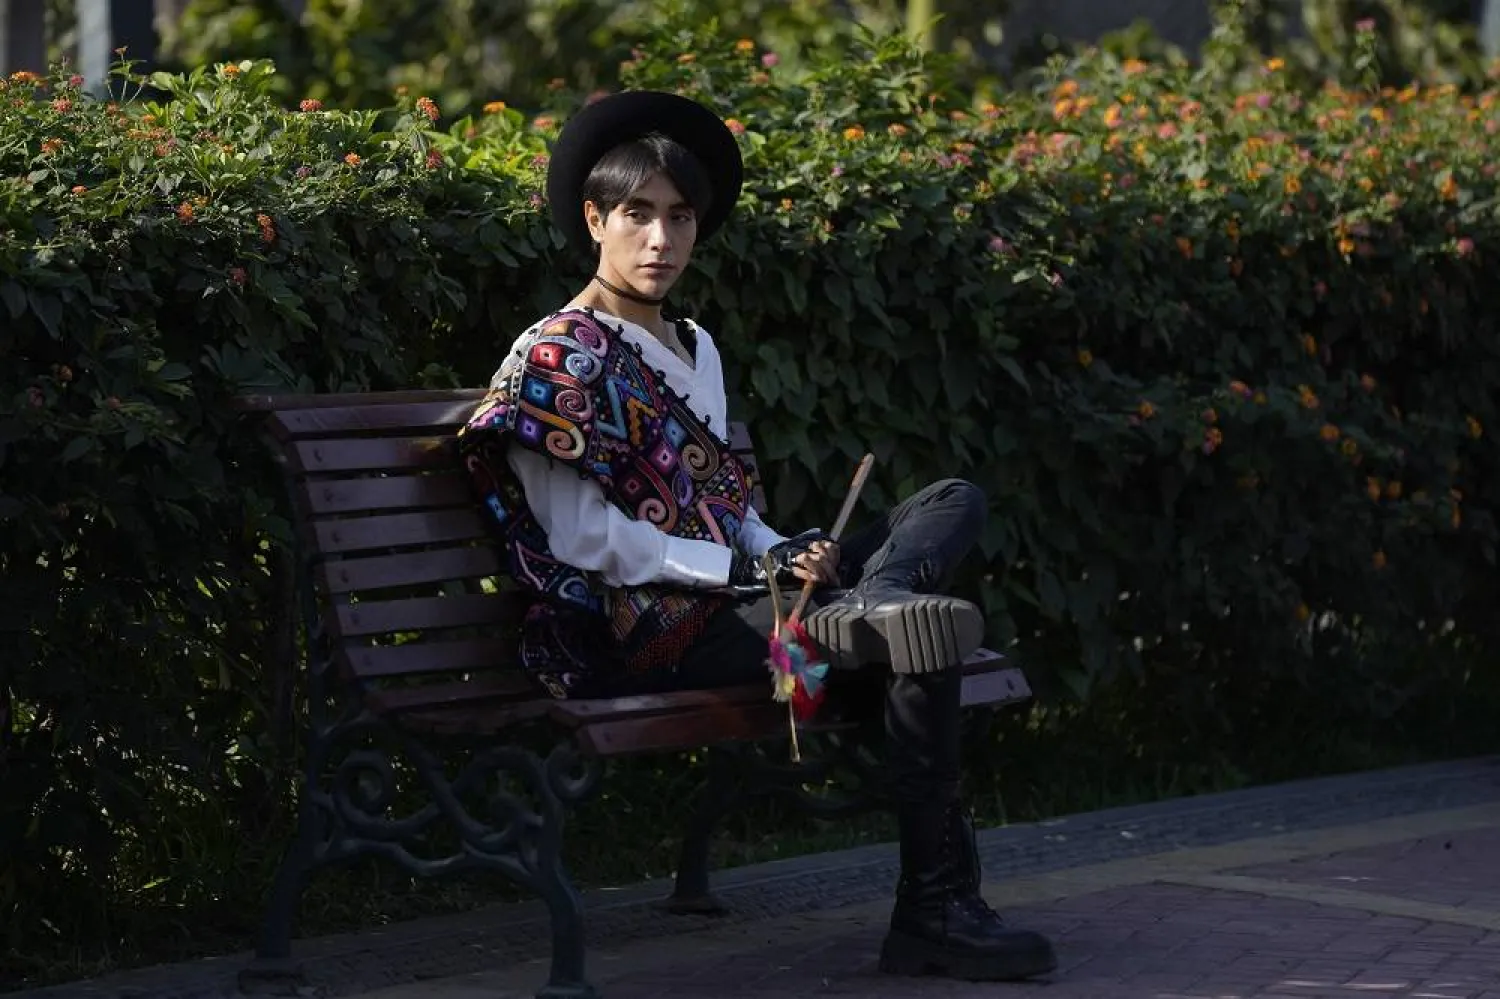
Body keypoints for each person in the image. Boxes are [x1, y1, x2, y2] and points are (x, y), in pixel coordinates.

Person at [458, 90, 1056, 983]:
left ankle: (878, 603)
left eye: (680, 217)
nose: (660, 239)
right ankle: (935, 909)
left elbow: (727, 503)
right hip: (652, 628)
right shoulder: (556, 357)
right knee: (915, 647)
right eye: (637, 215)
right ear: (594, 219)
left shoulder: (697, 344)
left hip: (748, 602)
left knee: (949, 499)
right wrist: (747, 563)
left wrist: (785, 547)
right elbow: (585, 539)